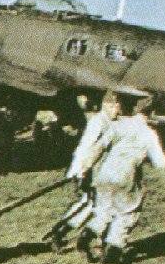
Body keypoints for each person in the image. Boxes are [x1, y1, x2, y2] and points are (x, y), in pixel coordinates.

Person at [79, 88, 165, 264]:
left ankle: (90, 231)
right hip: (126, 175)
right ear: (150, 112)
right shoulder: (147, 132)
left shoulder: (116, 126)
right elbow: (160, 160)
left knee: (105, 208)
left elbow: (98, 148)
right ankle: (114, 248)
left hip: (104, 173)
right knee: (127, 212)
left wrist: (86, 168)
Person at [47, 91, 120, 250]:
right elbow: (86, 148)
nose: (118, 110)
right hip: (89, 171)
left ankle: (64, 233)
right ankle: (61, 232)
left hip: (100, 172)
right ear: (107, 106)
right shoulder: (98, 123)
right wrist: (81, 171)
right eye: (115, 106)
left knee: (95, 205)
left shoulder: (109, 122)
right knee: (91, 205)